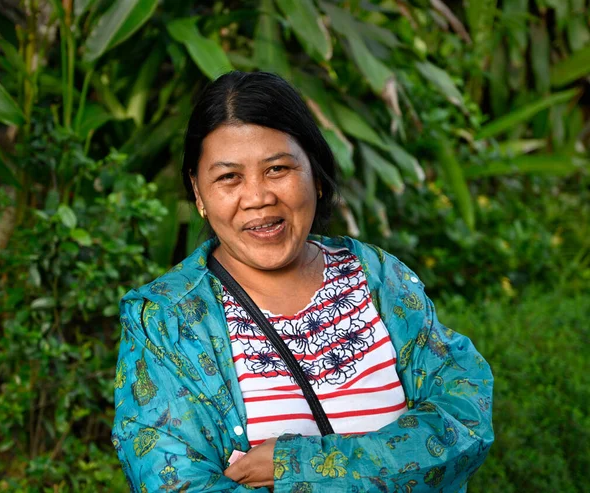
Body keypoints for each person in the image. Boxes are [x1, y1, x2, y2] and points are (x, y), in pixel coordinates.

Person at [111, 71, 494, 492]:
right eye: (228, 178)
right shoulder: (167, 323)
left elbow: (464, 421)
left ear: (314, 169)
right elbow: (174, 484)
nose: (257, 197)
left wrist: (298, 463)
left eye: (277, 169)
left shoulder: (380, 278)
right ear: (198, 193)